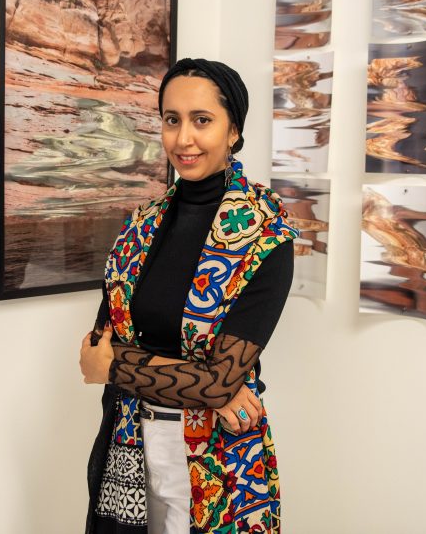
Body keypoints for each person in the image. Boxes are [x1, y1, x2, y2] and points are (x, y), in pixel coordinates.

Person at [79, 58, 297, 533]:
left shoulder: (264, 233)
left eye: (202, 120)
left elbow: (217, 384)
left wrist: (119, 367)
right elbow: (95, 349)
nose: (183, 139)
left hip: (220, 459)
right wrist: (201, 382)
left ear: (233, 130)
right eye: (171, 120)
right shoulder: (141, 224)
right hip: (131, 445)